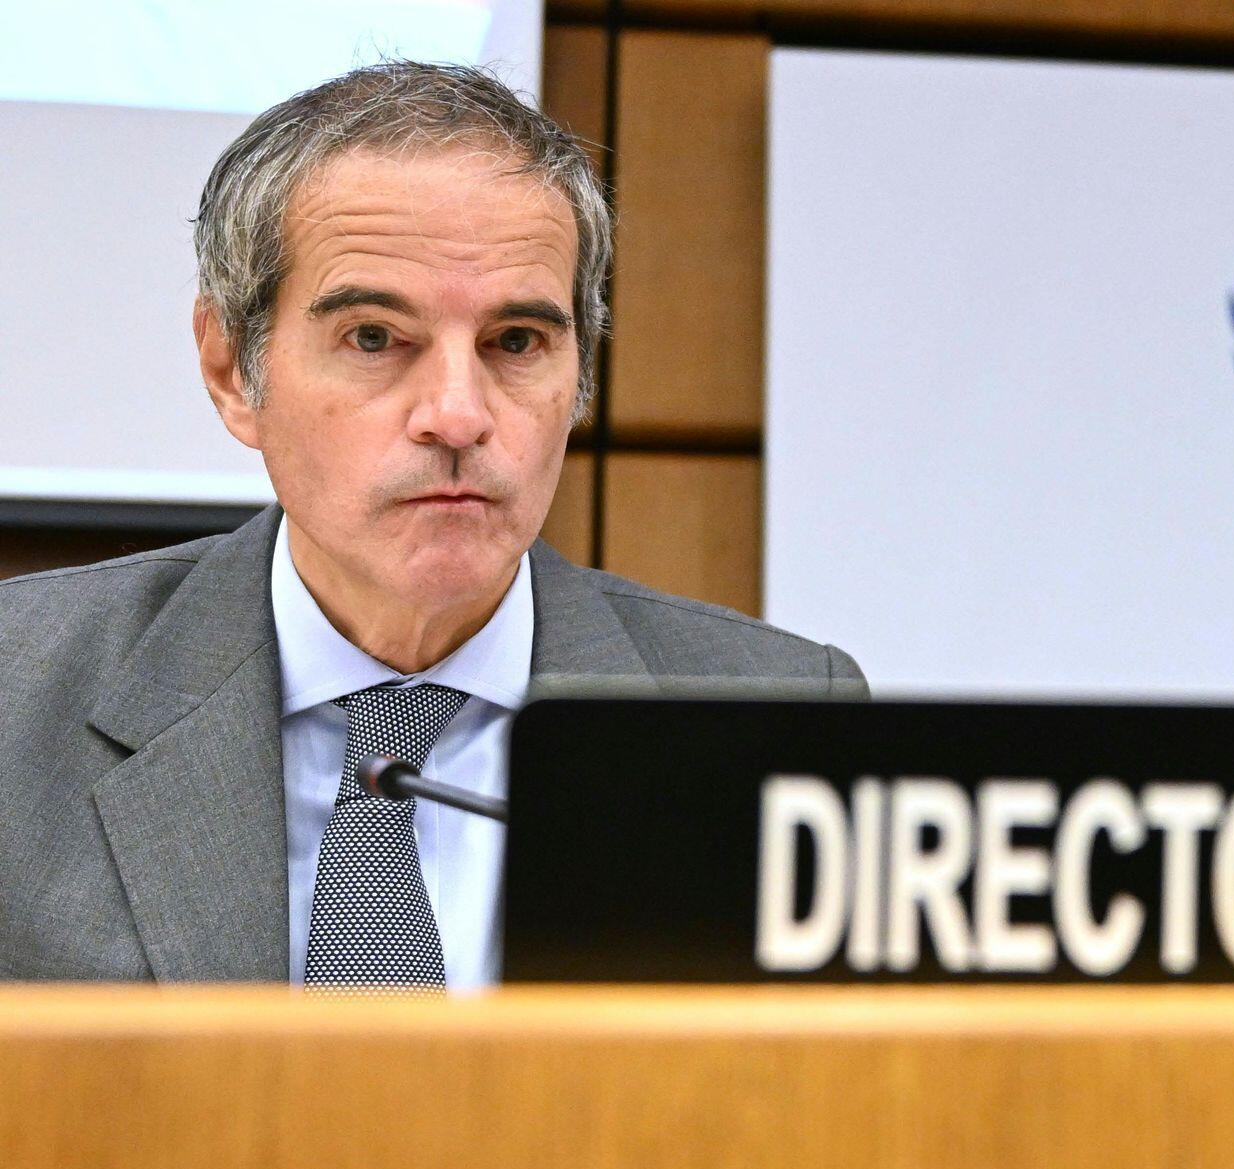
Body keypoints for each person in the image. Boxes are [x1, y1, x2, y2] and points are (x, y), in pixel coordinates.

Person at [0, 62, 864, 986]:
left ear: (579, 376)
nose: (457, 415)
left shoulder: (780, 722)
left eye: (516, 342)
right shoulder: (18, 698)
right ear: (231, 369)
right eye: (374, 337)